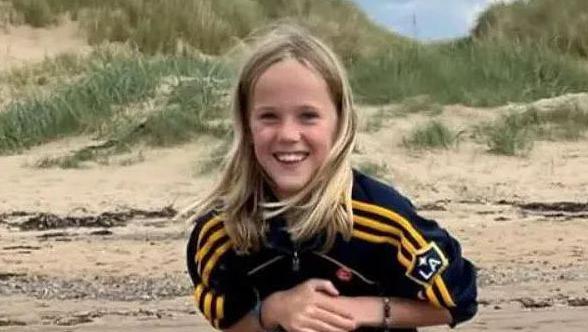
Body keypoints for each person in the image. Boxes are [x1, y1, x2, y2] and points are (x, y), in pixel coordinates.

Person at [185, 25, 477, 332]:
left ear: (340, 122)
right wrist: (271, 311)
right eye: (268, 116)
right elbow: (229, 321)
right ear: (246, 124)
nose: (288, 135)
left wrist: (363, 310)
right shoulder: (220, 232)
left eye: (308, 116)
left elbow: (458, 299)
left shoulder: (385, 218)